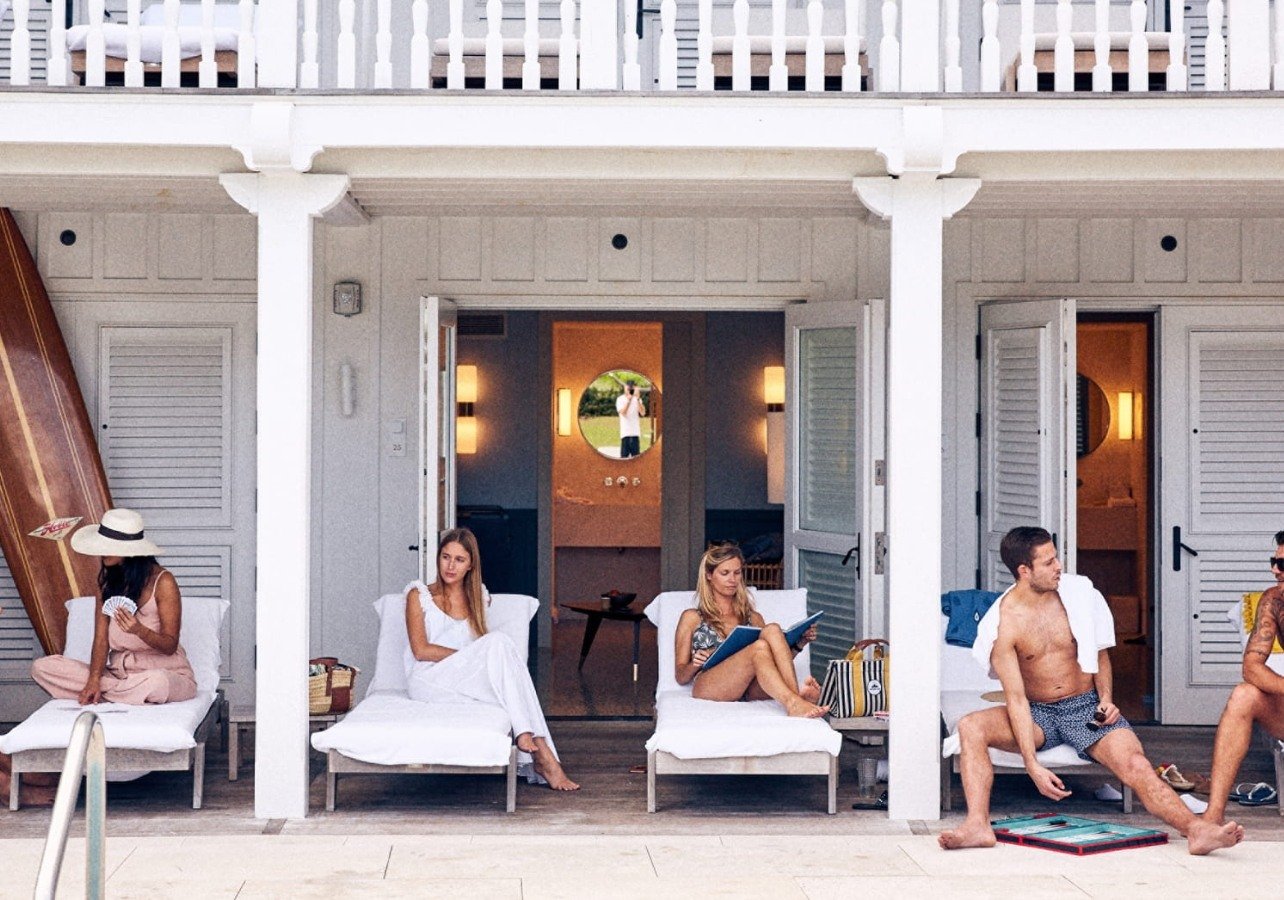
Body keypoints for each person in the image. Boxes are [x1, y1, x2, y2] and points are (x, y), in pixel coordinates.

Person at [939, 526, 1243, 854]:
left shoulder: (1079, 595)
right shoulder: (1003, 623)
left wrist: (1107, 700)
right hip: (1037, 712)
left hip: (1086, 707)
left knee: (1136, 764)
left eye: (1057, 558)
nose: (1059, 567)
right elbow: (1015, 698)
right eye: (1049, 562)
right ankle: (977, 825)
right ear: (1024, 571)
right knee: (971, 726)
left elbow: (1099, 654)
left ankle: (1196, 830)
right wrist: (1032, 764)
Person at [405, 527, 578, 791]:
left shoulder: (479, 597)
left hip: (462, 678)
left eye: (459, 560)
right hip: (429, 679)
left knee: (505, 659)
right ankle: (541, 754)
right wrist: (471, 658)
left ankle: (535, 748)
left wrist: (476, 660)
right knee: (498, 644)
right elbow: (420, 650)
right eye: (445, 557)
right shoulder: (419, 595)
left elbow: (484, 652)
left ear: (471, 564)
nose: (450, 566)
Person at [31, 508, 197, 706]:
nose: (102, 552)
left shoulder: (163, 581)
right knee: (42, 667)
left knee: (157, 683)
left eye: (110, 545)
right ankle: (117, 692)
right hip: (117, 674)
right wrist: (93, 681)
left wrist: (139, 630)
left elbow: (170, 646)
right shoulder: (108, 585)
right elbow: (101, 641)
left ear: (130, 550)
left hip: (165, 673)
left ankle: (111, 692)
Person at [673, 543, 826, 717]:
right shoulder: (692, 617)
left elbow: (772, 662)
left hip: (748, 687)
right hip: (709, 683)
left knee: (772, 630)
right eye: (725, 573)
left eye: (737, 573)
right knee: (759, 647)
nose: (733, 579)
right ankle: (796, 700)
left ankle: (795, 700)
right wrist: (695, 663)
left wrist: (799, 644)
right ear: (709, 575)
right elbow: (680, 676)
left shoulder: (753, 617)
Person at [1202, 530, 1284, 824]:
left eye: (1283, 564)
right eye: (1273, 561)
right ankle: (1213, 816)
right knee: (1243, 694)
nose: (1275, 570)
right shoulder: (1275, 600)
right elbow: (1251, 667)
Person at [616, 381, 644, 458]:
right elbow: (623, 413)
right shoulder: (620, 399)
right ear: (625, 388)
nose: (629, 390)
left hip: (635, 434)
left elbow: (642, 413)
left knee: (636, 460)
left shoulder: (637, 399)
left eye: (631, 388)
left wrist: (638, 399)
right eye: (628, 388)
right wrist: (629, 400)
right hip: (625, 434)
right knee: (623, 460)